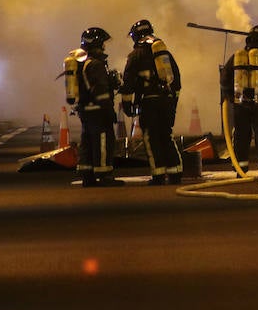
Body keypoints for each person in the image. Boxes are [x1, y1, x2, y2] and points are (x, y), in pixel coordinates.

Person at [120, 19, 183, 185]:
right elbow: (176, 80)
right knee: (167, 136)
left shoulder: (136, 54)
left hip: (149, 103)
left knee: (151, 138)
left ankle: (158, 175)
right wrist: (173, 102)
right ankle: (176, 173)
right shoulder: (164, 52)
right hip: (167, 101)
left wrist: (127, 105)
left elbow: (128, 82)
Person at [220, 25, 258, 179]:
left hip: (240, 104)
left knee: (241, 135)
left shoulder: (236, 57)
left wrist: (230, 97)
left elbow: (224, 79)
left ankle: (241, 170)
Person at [74, 27, 124, 187]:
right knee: (103, 141)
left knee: (87, 142)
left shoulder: (84, 63)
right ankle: (104, 176)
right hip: (98, 110)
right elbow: (100, 91)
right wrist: (109, 110)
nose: (104, 46)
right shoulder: (96, 64)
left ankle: (87, 176)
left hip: (86, 110)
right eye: (102, 43)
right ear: (97, 43)